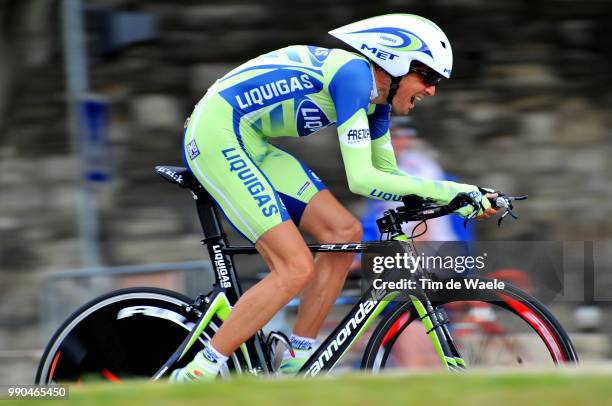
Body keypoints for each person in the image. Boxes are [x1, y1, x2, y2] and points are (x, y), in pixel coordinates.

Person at [171, 13, 499, 382]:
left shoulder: (378, 103)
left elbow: (390, 178)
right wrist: (459, 191)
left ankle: (299, 362)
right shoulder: (353, 77)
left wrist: (456, 197)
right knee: (295, 266)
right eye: (427, 77)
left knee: (345, 233)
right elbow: (362, 179)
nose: (431, 90)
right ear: (395, 64)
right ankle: (198, 372)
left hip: (252, 142)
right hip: (217, 136)